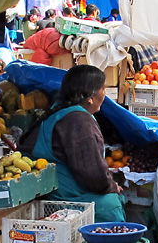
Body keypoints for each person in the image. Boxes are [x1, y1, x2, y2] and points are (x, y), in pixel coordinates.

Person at [19, 65, 125, 222]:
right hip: (69, 199)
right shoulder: (79, 121)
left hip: (53, 193)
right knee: (111, 203)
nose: (104, 95)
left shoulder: (58, 111)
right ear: (90, 95)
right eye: (103, 89)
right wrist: (111, 186)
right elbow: (93, 175)